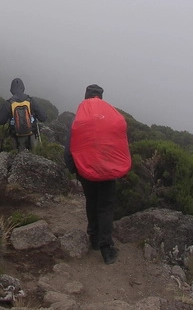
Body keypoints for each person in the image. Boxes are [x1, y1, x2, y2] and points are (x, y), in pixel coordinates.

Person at [64, 84, 131, 265]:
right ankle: (106, 249)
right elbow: (119, 143)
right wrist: (121, 168)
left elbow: (70, 143)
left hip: (85, 170)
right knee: (106, 207)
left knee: (91, 202)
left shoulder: (80, 117)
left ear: (86, 96)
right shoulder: (110, 117)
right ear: (101, 96)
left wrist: (72, 168)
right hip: (108, 171)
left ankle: (93, 238)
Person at [0, 77, 46, 151]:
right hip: (32, 135)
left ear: (11, 89)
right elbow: (43, 117)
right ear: (23, 87)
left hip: (16, 137)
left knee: (18, 158)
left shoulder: (9, 103)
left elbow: (1, 121)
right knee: (35, 157)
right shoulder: (31, 100)